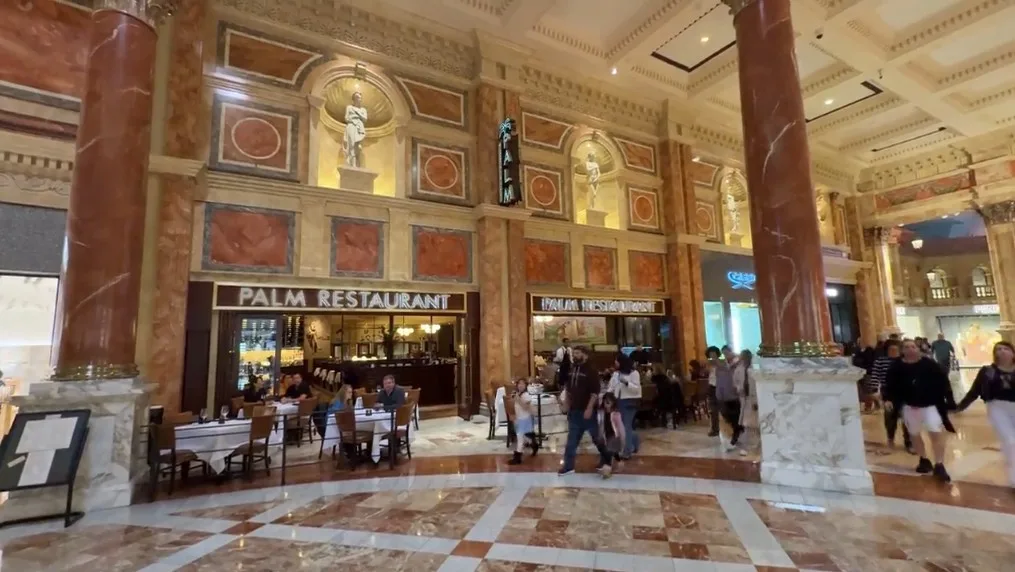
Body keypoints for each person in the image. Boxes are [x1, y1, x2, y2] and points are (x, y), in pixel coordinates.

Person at [884, 339, 957, 482]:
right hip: (909, 406)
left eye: (913, 346)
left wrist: (949, 400)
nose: (910, 349)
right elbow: (890, 385)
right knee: (914, 434)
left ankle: (939, 463)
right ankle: (924, 459)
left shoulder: (929, 364)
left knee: (935, 432)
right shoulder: (896, 367)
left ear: (918, 349)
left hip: (929, 405)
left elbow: (943, 382)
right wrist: (887, 399)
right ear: (902, 350)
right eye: (907, 347)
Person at [956, 341, 1015, 491]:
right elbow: (974, 391)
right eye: (998, 349)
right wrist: (960, 407)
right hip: (997, 407)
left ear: (1013, 352)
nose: (1002, 351)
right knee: (1010, 441)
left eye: (1006, 349)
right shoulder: (987, 371)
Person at [558, 345, 609, 476]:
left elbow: (594, 392)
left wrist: (589, 408)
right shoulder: (572, 369)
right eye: (574, 353)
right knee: (571, 441)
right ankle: (568, 467)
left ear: (585, 355)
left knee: (597, 438)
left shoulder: (591, 370)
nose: (574, 355)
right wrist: (566, 404)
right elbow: (569, 390)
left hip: (588, 412)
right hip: (574, 411)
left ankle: (607, 460)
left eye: (578, 353)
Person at [870, 340, 913, 452]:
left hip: (906, 393)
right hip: (888, 394)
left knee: (908, 418)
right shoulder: (880, 361)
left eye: (895, 350)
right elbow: (875, 375)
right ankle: (890, 439)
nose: (893, 352)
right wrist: (875, 390)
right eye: (891, 350)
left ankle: (909, 442)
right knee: (890, 418)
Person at [608, 353, 642, 458]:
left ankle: (627, 451)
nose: (615, 363)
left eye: (617, 361)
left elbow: (637, 389)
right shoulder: (616, 374)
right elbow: (611, 386)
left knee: (625, 425)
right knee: (622, 425)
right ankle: (634, 443)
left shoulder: (634, 373)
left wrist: (627, 383)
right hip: (618, 401)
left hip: (630, 401)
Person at [715, 346, 743, 450]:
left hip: (734, 395)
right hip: (724, 396)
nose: (726, 355)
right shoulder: (722, 365)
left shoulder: (737, 363)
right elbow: (719, 382)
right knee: (727, 415)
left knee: (735, 416)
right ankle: (736, 432)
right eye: (724, 353)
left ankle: (735, 436)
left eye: (727, 352)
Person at [732, 350, 757, 456]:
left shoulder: (755, 369)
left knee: (755, 424)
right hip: (744, 398)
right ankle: (747, 446)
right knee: (746, 424)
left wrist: (756, 400)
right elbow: (735, 382)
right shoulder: (739, 369)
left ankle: (756, 445)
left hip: (754, 398)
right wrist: (739, 388)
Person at [509, 378, 538, 465]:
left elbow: (526, 407)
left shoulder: (526, 395)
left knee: (520, 436)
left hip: (525, 418)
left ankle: (518, 457)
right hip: (519, 418)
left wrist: (518, 399)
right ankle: (533, 444)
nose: (520, 385)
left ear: (526, 386)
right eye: (519, 384)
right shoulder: (518, 394)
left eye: (522, 384)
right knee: (524, 436)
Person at [598, 392, 625, 479]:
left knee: (610, 454)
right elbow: (601, 424)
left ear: (613, 403)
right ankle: (619, 463)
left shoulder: (616, 414)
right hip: (606, 436)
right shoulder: (602, 413)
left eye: (608, 402)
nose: (606, 405)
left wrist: (622, 438)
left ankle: (607, 471)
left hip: (614, 437)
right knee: (614, 454)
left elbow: (620, 427)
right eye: (605, 402)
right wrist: (600, 435)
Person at [652, 364, 680, 428]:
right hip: (671, 400)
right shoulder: (666, 378)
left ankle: (653, 419)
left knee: (650, 402)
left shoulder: (654, 379)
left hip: (662, 401)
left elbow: (656, 392)